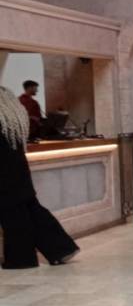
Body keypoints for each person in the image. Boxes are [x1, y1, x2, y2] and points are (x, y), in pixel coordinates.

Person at [0, 87, 78, 268]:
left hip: (4, 173)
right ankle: (62, 248)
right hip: (18, 169)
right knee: (32, 208)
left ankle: (22, 260)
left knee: (13, 214)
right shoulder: (11, 119)